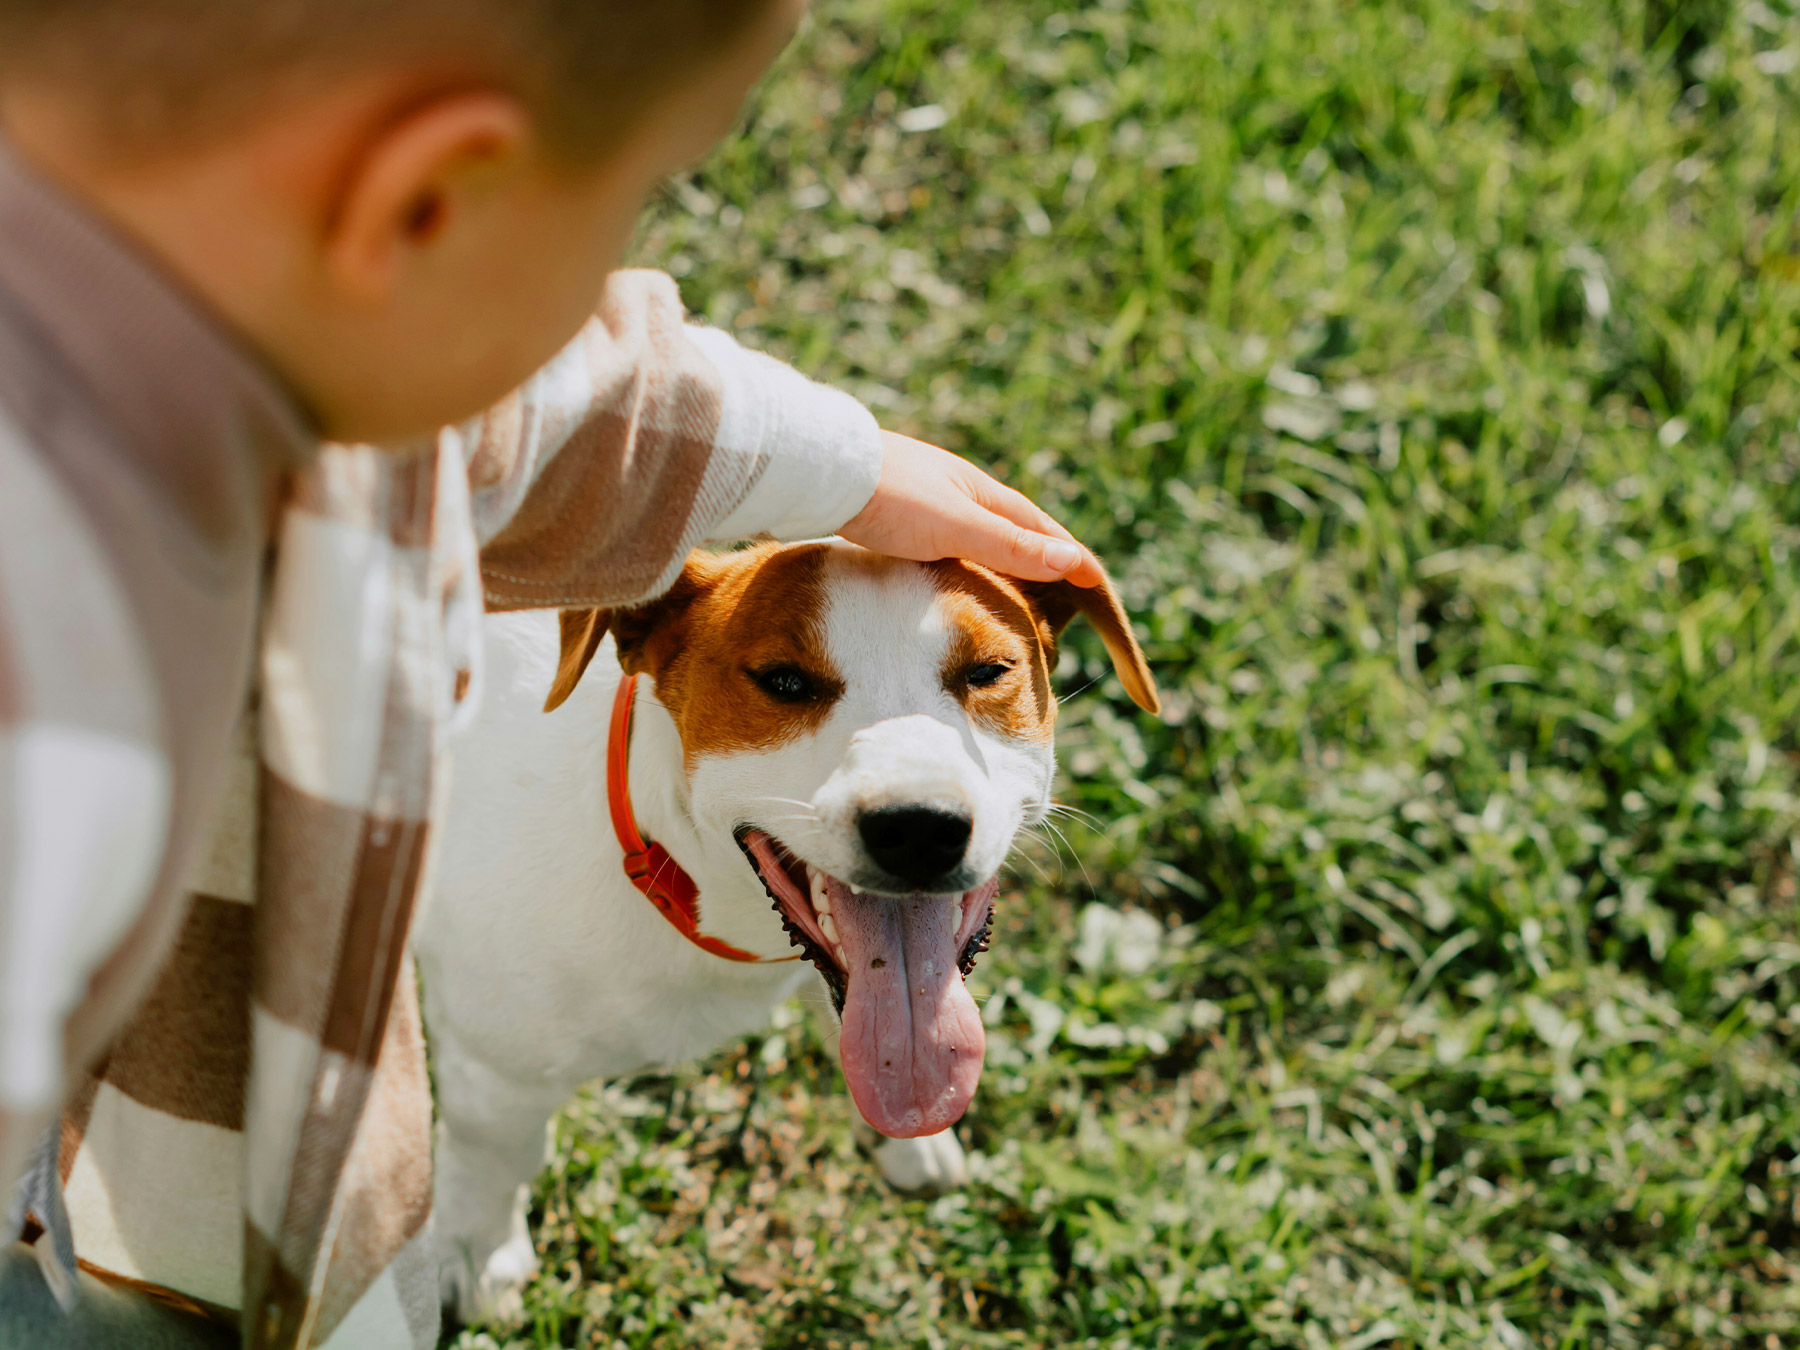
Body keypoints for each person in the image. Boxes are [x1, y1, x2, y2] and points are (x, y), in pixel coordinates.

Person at [0, 0, 1103, 1345]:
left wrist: (854, 466)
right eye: (637, 198)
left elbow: (553, 419)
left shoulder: (335, 357)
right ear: (422, 204)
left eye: (981, 676)